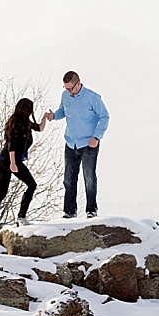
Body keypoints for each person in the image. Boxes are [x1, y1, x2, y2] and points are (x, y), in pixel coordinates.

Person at [45, 70, 109, 219]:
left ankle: (91, 210)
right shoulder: (65, 96)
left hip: (89, 144)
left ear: (78, 84)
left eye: (70, 88)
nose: (68, 91)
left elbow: (105, 116)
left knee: (89, 178)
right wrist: (53, 115)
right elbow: (62, 111)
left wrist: (97, 137)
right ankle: (69, 211)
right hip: (71, 143)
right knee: (68, 179)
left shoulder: (92, 98)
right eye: (65, 88)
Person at [0, 97, 48, 233]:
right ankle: (21, 216)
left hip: (7, 160)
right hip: (8, 160)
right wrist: (13, 163)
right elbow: (12, 143)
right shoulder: (17, 122)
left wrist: (45, 118)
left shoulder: (26, 122)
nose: (31, 112)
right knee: (31, 185)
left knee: (2, 192)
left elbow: (39, 128)